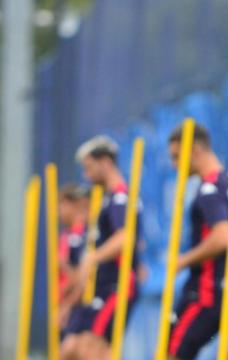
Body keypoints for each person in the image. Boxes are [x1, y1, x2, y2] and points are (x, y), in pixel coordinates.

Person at [166, 123, 228, 360]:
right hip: (225, 294)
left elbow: (224, 236)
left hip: (204, 294)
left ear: (196, 150)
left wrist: (183, 260)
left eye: (177, 157)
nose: (175, 165)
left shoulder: (210, 187)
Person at [61, 136, 142, 360]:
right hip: (104, 287)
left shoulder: (119, 197)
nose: (86, 176)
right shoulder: (108, 199)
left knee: (91, 349)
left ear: (105, 162)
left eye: (89, 168)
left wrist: (92, 257)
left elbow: (125, 237)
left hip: (118, 286)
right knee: (72, 349)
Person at [58, 184, 90, 330]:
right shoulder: (68, 234)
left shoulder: (80, 236)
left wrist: (66, 305)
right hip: (64, 303)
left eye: (62, 205)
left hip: (75, 306)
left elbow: (81, 276)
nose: (59, 211)